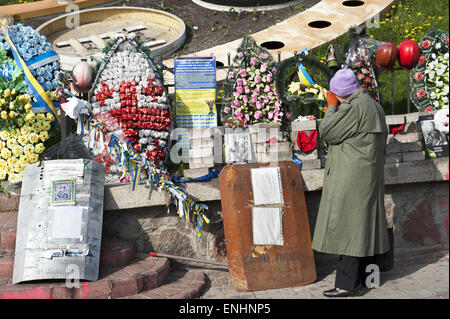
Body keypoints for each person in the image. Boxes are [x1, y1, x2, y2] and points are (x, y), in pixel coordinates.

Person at [311, 68, 391, 297]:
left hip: (351, 177)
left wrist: (331, 106)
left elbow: (328, 132)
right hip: (368, 176)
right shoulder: (374, 105)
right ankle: (368, 279)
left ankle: (346, 285)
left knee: (350, 230)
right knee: (366, 226)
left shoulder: (353, 107)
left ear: (339, 93)